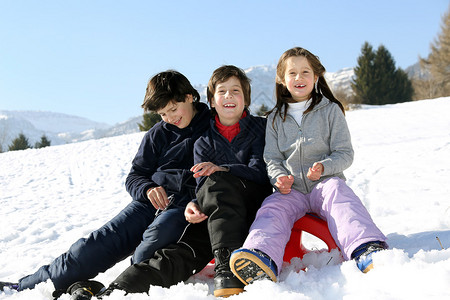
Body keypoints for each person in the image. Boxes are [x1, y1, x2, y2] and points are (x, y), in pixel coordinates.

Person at [0, 70, 211, 299]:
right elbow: (135, 176)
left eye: (173, 109)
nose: (170, 118)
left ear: (190, 96)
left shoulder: (214, 127)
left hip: (185, 207)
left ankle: (110, 293)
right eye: (162, 114)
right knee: (91, 248)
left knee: (149, 248)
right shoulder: (158, 134)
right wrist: (148, 189)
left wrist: (195, 200)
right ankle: (24, 287)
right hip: (148, 204)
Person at [67, 65, 272, 299]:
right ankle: (111, 292)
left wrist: (222, 169)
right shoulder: (204, 139)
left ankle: (226, 269)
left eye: (235, 91)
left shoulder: (262, 128)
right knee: (174, 257)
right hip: (214, 219)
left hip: (251, 209)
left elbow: (260, 172)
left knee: (217, 181)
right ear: (212, 101)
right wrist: (194, 203)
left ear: (246, 97)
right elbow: (199, 184)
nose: (228, 97)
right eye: (221, 92)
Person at [229, 47, 388, 286]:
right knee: (272, 208)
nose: (299, 78)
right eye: (292, 73)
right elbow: (272, 158)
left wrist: (325, 167)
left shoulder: (330, 111)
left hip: (324, 183)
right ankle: (260, 256)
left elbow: (345, 153)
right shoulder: (274, 118)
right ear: (282, 80)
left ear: (316, 77)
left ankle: (367, 248)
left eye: (305, 72)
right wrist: (279, 178)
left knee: (340, 197)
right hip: (291, 190)